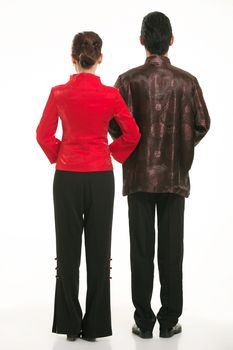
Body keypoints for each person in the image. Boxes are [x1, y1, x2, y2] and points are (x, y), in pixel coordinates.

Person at [109, 12, 210, 339]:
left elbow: (112, 122)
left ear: (142, 41)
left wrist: (131, 144)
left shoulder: (127, 81)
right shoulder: (187, 81)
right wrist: (181, 147)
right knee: (172, 250)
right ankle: (169, 321)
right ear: (171, 40)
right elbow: (203, 123)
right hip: (174, 178)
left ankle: (144, 320)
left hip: (138, 177)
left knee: (141, 250)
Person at [36, 31, 140, 342]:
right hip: (100, 178)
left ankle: (69, 325)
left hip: (67, 177)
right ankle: (94, 326)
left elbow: (43, 134)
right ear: (100, 58)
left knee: (67, 251)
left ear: (72, 58)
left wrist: (61, 153)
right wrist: (110, 151)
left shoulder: (58, 93)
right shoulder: (110, 95)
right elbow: (132, 134)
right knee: (99, 251)